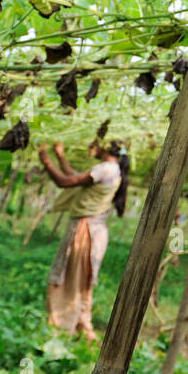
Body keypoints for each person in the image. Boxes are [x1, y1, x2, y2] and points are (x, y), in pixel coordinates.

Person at [38, 140, 130, 342]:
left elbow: (64, 182)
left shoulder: (106, 168)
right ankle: (81, 327)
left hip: (85, 230)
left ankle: (61, 326)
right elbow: (75, 178)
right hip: (92, 229)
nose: (90, 145)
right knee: (81, 280)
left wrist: (45, 159)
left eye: (96, 142)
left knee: (70, 277)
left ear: (105, 147)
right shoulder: (111, 169)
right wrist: (60, 156)